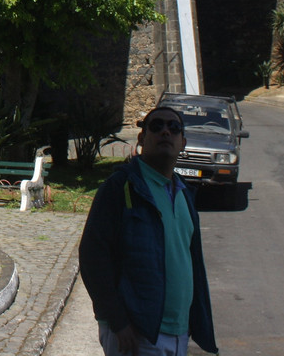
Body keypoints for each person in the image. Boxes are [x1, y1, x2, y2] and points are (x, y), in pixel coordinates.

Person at [78, 106, 219, 355]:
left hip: (178, 334)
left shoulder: (184, 194)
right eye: (156, 126)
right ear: (142, 139)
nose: (166, 132)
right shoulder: (121, 187)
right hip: (137, 334)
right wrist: (118, 322)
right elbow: (92, 257)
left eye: (174, 128)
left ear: (182, 142)